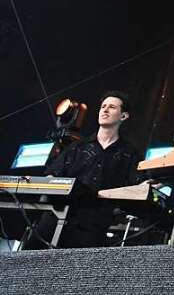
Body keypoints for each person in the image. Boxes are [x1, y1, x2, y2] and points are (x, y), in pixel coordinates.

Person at [31, 91, 141, 248]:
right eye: (103, 106)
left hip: (92, 227)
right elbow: (52, 174)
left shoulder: (130, 154)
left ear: (123, 116)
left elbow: (137, 185)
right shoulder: (77, 146)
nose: (105, 110)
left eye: (112, 107)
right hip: (55, 219)